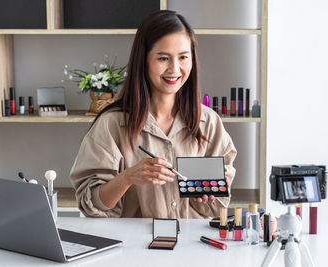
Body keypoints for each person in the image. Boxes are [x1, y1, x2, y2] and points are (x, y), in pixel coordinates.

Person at [70, 10, 237, 219]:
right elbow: (90, 204)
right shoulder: (112, 124)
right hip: (135, 248)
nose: (175, 69)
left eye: (183, 57)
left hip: (192, 248)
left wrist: (203, 197)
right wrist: (127, 178)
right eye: (163, 58)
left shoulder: (209, 123)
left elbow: (216, 207)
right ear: (143, 60)